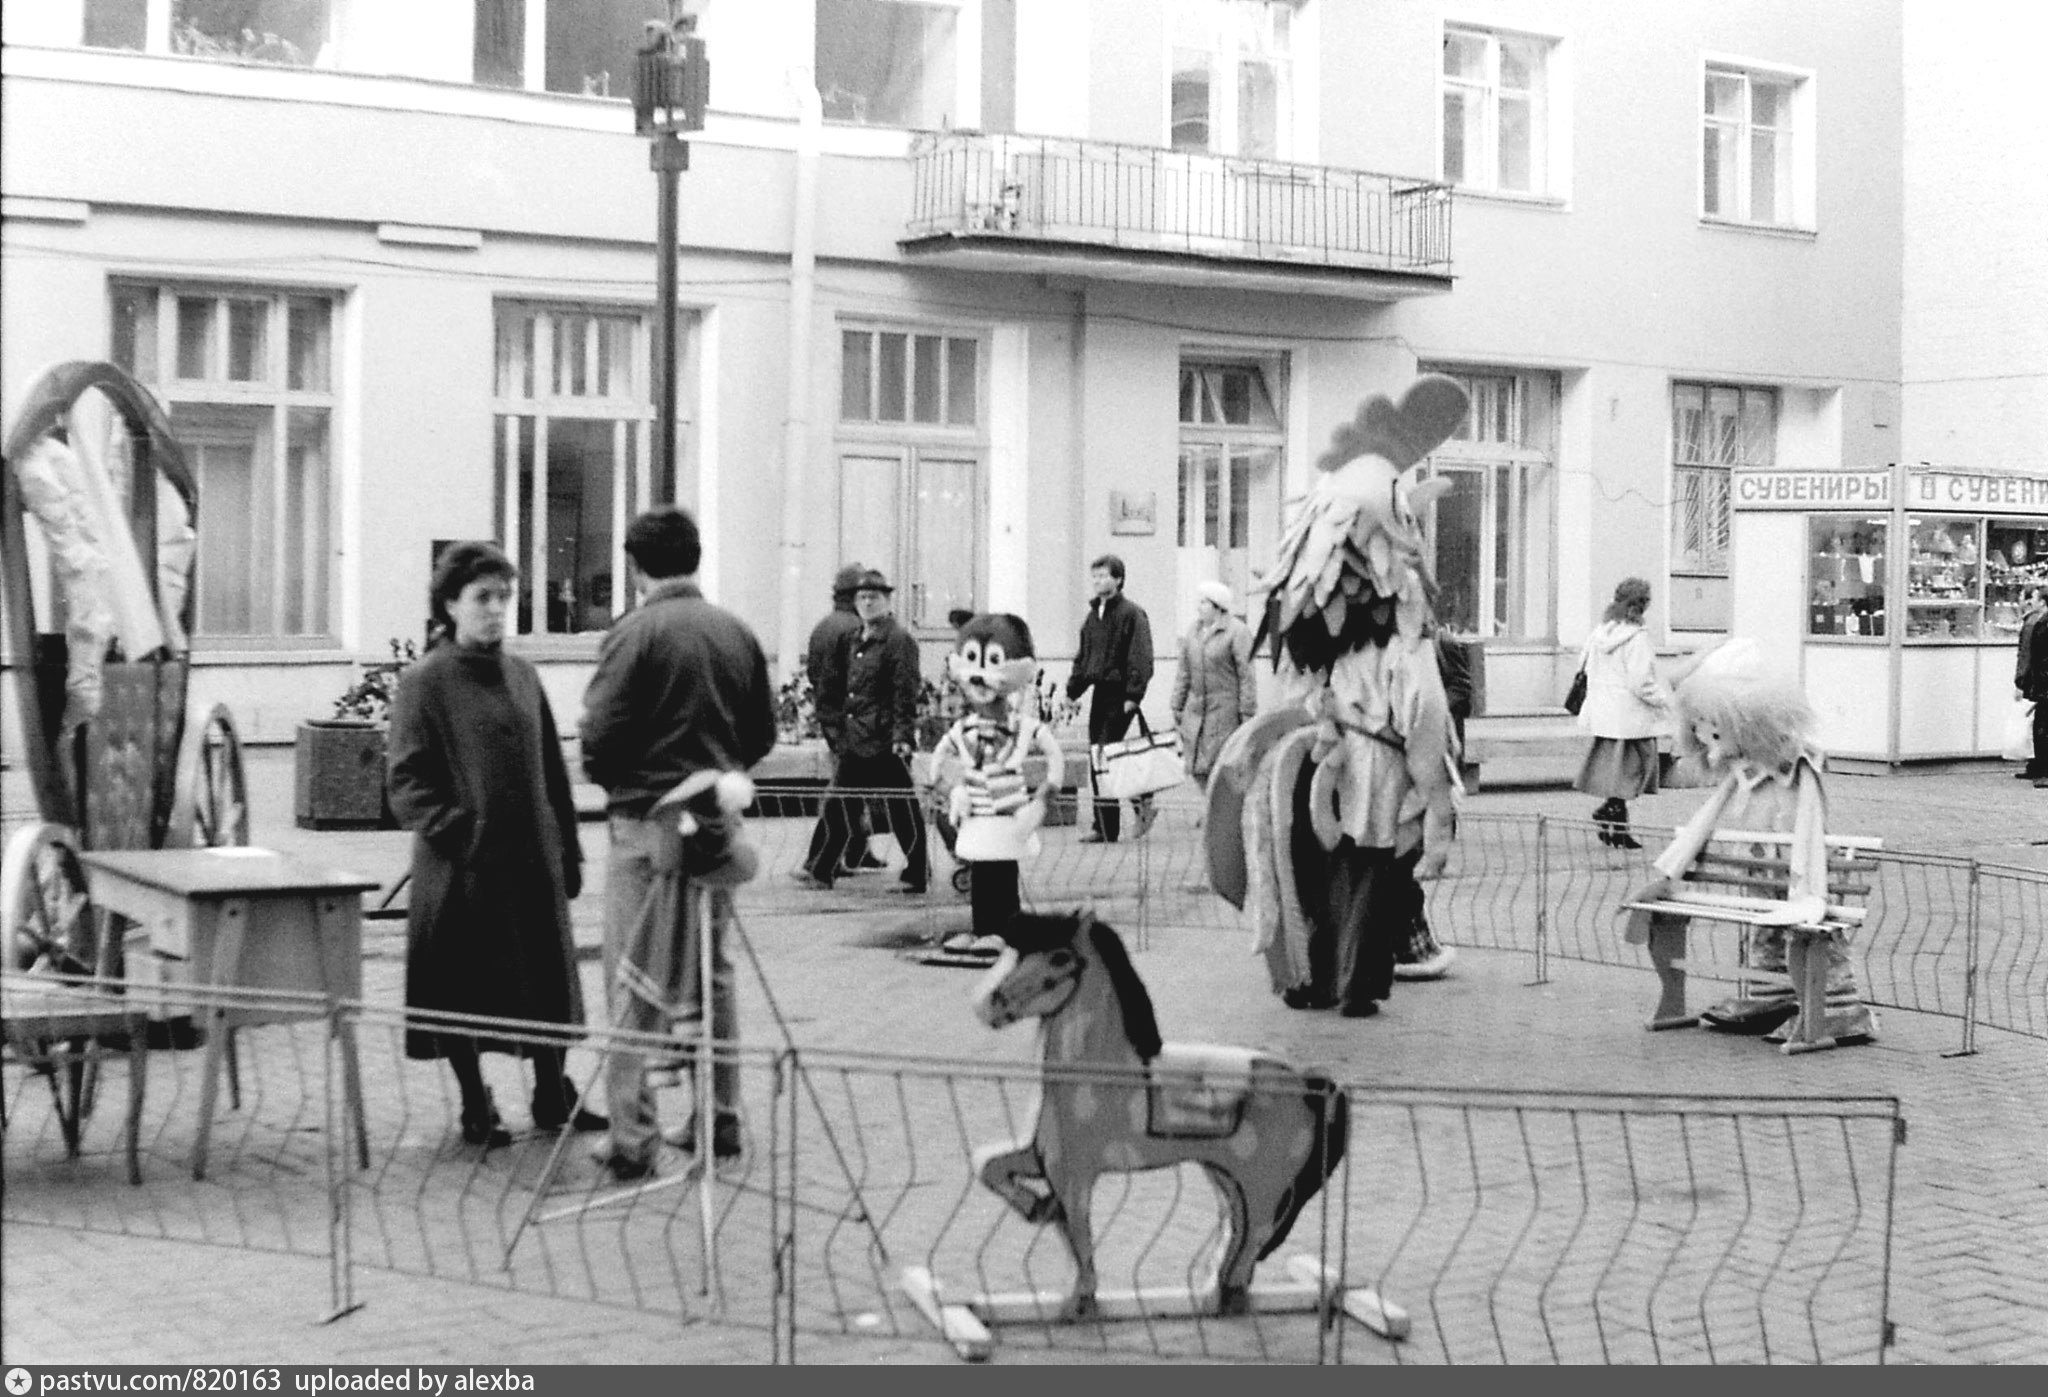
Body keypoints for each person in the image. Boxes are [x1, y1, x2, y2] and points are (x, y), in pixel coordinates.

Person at [580, 507, 776, 1181]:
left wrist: (624, 779)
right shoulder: (735, 632)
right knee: (712, 968)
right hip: (717, 825)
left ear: (636, 566)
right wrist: (718, 770)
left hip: (644, 825)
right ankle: (718, 1113)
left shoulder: (633, 633)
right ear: (695, 555)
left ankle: (632, 1132)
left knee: (635, 969)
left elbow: (600, 737)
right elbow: (761, 735)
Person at [386, 541, 602, 1149]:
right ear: (450, 604)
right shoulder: (424, 682)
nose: (496, 610)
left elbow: (551, 773)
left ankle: (551, 1091)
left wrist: (570, 849)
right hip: (464, 869)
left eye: (505, 598)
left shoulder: (523, 674)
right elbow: (405, 781)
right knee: (462, 985)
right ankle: (476, 1102)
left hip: (532, 861)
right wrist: (461, 829)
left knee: (544, 978)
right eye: (483, 598)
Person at [796, 569, 930, 892]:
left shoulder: (898, 641)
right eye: (862, 597)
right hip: (857, 738)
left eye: (874, 597)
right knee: (846, 804)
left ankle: (915, 870)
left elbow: (904, 692)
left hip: (883, 741)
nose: (867, 603)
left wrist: (901, 736)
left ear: (887, 601)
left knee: (897, 807)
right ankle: (823, 868)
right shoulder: (857, 638)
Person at [1573, 577, 1673, 849]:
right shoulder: (1637, 639)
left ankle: (1616, 824)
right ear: (1641, 606)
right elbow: (1640, 682)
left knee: (1619, 774)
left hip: (1605, 715)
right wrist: (1665, 702)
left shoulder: (1599, 633)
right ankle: (1612, 815)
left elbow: (1583, 666)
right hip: (1631, 718)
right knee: (1636, 771)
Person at [1067, 554, 1157, 843]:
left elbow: (1140, 656)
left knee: (1106, 755)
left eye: (1104, 576)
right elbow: (1084, 658)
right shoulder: (1094, 616)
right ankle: (1109, 824)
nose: (1098, 581)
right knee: (1101, 758)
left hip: (1121, 695)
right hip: (1100, 693)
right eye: (1094, 577)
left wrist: (1134, 694)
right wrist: (1072, 691)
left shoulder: (1132, 614)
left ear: (1118, 579)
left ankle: (1134, 807)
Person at [803, 562, 884, 873]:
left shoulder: (823, 626)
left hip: (832, 718)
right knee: (846, 789)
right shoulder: (853, 629)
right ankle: (823, 857)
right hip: (852, 722)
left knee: (851, 787)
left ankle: (856, 850)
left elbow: (814, 673)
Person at [1170, 580, 1257, 791]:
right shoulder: (1193, 631)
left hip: (1224, 710)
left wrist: (1246, 711)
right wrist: (1177, 704)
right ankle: (1208, 804)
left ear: (1218, 606)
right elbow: (1184, 671)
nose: (1198, 607)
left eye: (1203, 602)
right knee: (1195, 764)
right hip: (1196, 708)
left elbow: (1247, 675)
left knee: (1219, 763)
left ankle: (1217, 811)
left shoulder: (1237, 632)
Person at [2014, 585, 2048, 785]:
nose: (2030, 601)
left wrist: (2022, 681)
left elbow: (2032, 655)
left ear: (2043, 601)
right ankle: (2038, 766)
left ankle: (2043, 769)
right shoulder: (2039, 621)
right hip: (2041, 679)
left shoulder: (2041, 623)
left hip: (2044, 680)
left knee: (2043, 725)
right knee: (2040, 723)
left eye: (2034, 598)